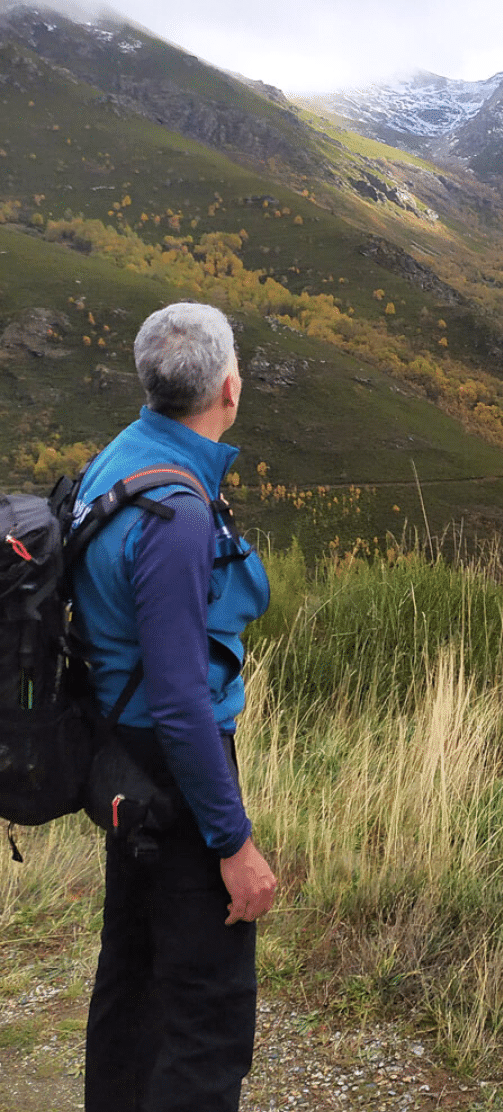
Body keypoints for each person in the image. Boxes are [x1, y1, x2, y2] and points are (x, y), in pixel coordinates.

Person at [74, 301, 276, 1112]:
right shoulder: (178, 515)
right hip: (171, 773)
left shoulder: (122, 456)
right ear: (229, 387)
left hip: (121, 759)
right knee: (205, 1015)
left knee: (133, 984)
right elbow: (183, 699)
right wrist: (233, 842)